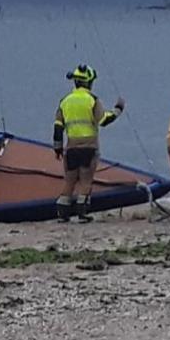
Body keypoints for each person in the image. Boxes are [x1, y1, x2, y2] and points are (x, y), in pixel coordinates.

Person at [53, 64, 124, 223]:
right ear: (89, 82)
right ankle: (82, 214)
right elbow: (104, 120)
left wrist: (57, 147)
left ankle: (62, 214)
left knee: (70, 180)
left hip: (70, 148)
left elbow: (58, 127)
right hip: (89, 147)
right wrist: (118, 109)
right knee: (86, 180)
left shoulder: (65, 101)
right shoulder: (92, 100)